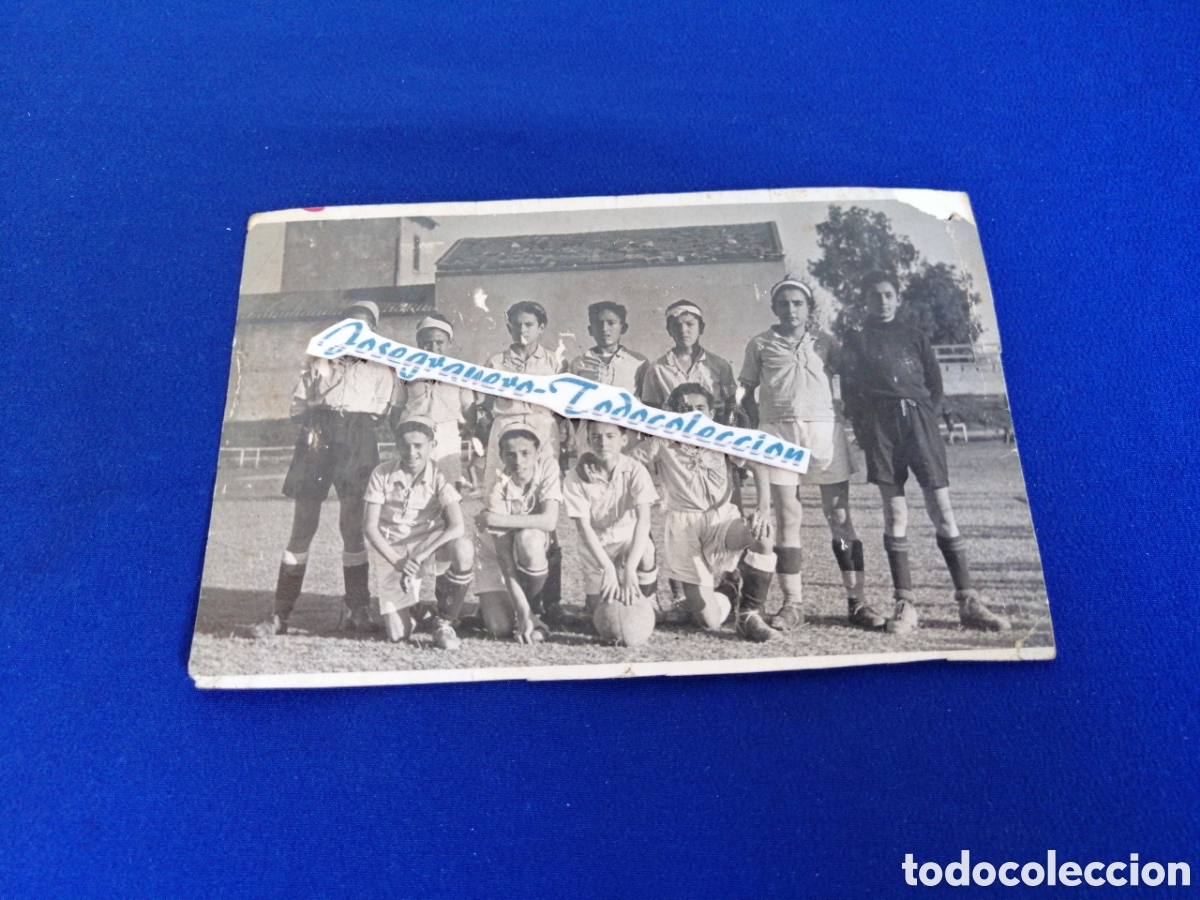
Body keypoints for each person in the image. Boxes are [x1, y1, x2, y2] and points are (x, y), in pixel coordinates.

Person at [840, 272, 1010, 634]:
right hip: (881, 430)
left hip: (919, 424)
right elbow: (850, 392)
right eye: (875, 295)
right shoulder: (856, 340)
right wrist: (869, 430)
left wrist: (923, 421)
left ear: (897, 299)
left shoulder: (915, 337)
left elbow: (934, 386)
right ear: (865, 301)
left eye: (888, 294)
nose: (882, 301)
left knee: (942, 511)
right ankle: (906, 603)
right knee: (894, 512)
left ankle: (968, 601)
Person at [739, 278, 884, 635]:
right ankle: (793, 604)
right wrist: (749, 426)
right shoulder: (759, 344)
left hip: (823, 431)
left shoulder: (826, 343)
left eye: (798, 303)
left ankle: (857, 601)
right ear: (774, 308)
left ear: (808, 308)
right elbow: (746, 390)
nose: (791, 309)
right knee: (788, 519)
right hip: (778, 433)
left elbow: (854, 376)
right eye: (784, 303)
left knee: (839, 516)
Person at [252, 300, 394, 638]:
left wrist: (348, 421)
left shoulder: (381, 367)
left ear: (372, 331)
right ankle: (279, 615)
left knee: (353, 527)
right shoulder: (320, 361)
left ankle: (357, 611)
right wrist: (323, 419)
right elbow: (297, 406)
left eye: (364, 327)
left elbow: (380, 412)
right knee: (303, 526)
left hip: (358, 437)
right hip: (318, 436)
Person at [627, 384, 759, 633]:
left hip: (721, 520)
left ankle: (750, 612)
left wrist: (762, 508)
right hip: (684, 526)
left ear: (710, 413)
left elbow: (758, 464)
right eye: (685, 409)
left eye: (700, 408)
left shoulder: (722, 436)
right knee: (710, 622)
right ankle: (728, 592)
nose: (693, 414)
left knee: (762, 533)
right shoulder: (662, 441)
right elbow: (628, 462)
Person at [362, 419, 475, 648]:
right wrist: (398, 562)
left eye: (418, 445)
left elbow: (457, 526)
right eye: (405, 445)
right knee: (398, 635)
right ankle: (420, 610)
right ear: (397, 445)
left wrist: (419, 556)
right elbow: (370, 527)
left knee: (463, 548)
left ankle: (444, 621)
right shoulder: (381, 473)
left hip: (427, 547)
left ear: (431, 445)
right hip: (394, 551)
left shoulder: (440, 473)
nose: (411, 452)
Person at [562, 421, 659, 621]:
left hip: (626, 540)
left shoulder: (635, 470)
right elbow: (583, 527)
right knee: (601, 616)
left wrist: (630, 567)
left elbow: (644, 521)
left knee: (647, 549)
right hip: (596, 545)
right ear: (588, 440)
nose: (602, 442)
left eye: (610, 436)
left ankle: (649, 598)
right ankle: (596, 597)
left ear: (624, 440)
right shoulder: (574, 476)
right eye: (596, 436)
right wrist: (607, 567)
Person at [475, 428, 562, 643]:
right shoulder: (497, 487)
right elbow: (504, 559)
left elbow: (549, 521)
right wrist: (522, 614)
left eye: (525, 453)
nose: (518, 461)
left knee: (529, 538)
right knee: (499, 629)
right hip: (494, 555)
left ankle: (534, 612)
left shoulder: (549, 467)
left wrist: (497, 520)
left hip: (529, 546)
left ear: (538, 452)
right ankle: (518, 610)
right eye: (510, 454)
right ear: (502, 456)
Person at [388, 313, 476, 486]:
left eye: (439, 342)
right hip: (414, 431)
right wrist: (400, 434)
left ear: (449, 343)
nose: (433, 347)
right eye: (427, 342)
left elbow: (469, 408)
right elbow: (396, 408)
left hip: (447, 434)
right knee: (414, 484)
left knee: (449, 485)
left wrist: (466, 429)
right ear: (419, 344)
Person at [639, 300, 738, 424]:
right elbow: (650, 407)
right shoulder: (657, 368)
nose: (683, 330)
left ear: (701, 328)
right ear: (669, 330)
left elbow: (732, 403)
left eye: (690, 324)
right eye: (676, 325)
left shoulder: (720, 365)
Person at [567, 301, 649, 393]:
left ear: (623, 328)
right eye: (598, 323)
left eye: (611, 323)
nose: (604, 328)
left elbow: (647, 400)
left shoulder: (638, 362)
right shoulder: (578, 363)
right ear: (590, 330)